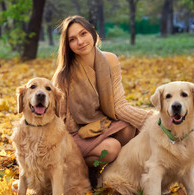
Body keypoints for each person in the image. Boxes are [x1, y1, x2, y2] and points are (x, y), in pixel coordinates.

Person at [52, 15, 152, 185]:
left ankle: (124, 175)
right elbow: (59, 119)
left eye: (83, 34)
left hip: (100, 125)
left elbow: (119, 106)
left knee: (129, 129)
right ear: (68, 45)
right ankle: (85, 172)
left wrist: (153, 120)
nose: (80, 41)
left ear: (92, 32)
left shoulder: (110, 60)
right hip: (72, 133)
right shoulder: (64, 75)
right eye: (73, 39)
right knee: (112, 148)